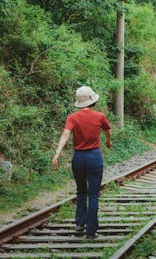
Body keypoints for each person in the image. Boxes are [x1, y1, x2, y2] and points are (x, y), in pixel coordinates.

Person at [52, 86, 112, 239]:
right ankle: (91, 232)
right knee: (93, 194)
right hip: (94, 157)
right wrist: (108, 141)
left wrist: (57, 153)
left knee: (81, 191)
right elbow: (107, 131)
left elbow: (66, 134)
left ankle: (79, 224)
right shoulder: (99, 116)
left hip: (78, 158)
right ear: (93, 101)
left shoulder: (72, 117)